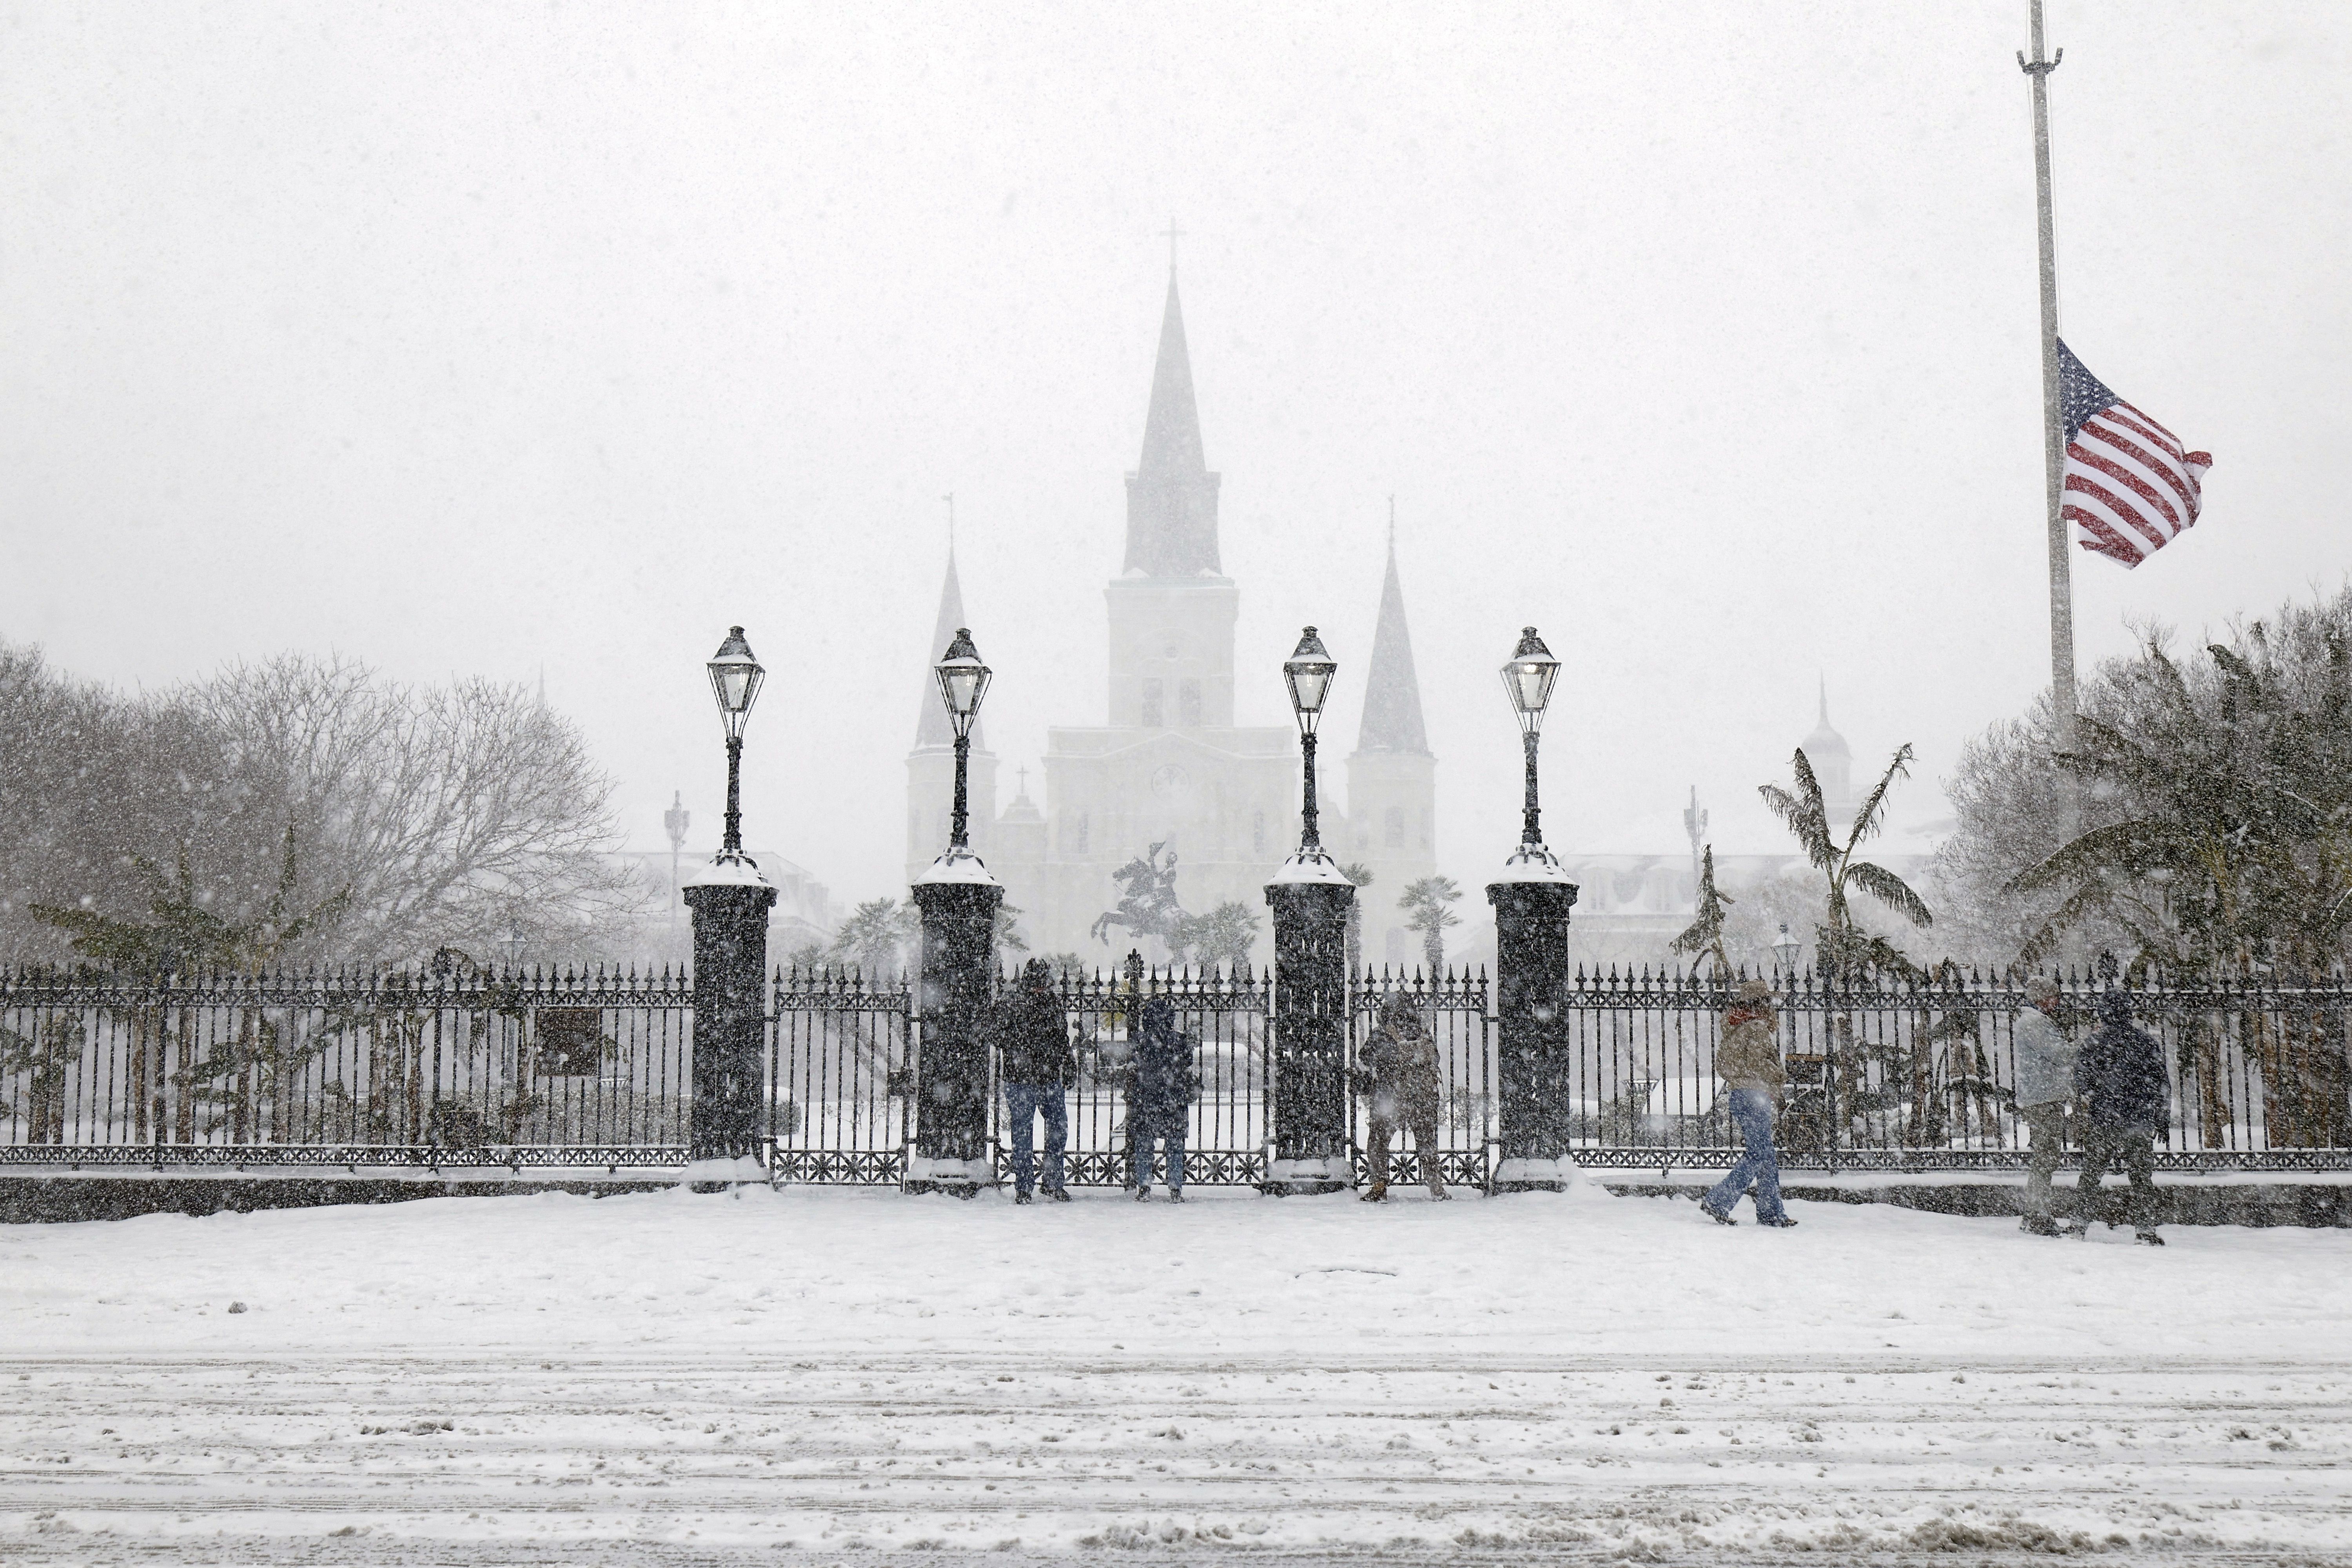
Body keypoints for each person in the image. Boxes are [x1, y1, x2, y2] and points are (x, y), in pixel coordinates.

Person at [2073, 987, 2169, 1245]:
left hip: (2105, 1118)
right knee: (2141, 1179)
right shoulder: (2146, 1042)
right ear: (2129, 1012)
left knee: (2091, 1174)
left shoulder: (2093, 1043)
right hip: (2138, 1119)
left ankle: (2078, 1225)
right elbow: (2161, 1083)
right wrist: (2161, 1115)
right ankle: (2145, 1230)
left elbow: (2082, 1082)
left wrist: (2097, 1097)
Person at [1700, 978, 1796, 1228]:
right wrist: (1780, 1074)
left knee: (1766, 1155)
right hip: (1754, 1095)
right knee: (1758, 1154)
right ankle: (1719, 1200)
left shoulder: (1737, 1028)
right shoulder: (1756, 1027)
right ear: (1762, 1003)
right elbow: (1757, 1063)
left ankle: (1771, 1213)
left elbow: (1728, 1065)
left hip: (1740, 1094)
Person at [992, 957, 1075, 1204]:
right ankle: (1027, 1187)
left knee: (1052, 1129)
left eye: (1043, 984)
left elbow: (1061, 1036)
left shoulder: (1041, 1003)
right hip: (1026, 1077)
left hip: (1037, 1076)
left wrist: (1067, 1060)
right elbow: (995, 1034)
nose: (1040, 989)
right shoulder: (1014, 1004)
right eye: (1037, 984)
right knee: (1026, 1132)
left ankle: (1048, 1183)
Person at [1359, 992, 1449, 1201]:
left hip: (1390, 1098)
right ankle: (1436, 1188)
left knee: (1379, 1141)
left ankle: (1380, 1186)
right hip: (1421, 1098)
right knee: (1426, 1142)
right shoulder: (1422, 1032)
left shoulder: (1382, 1034)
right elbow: (1435, 1057)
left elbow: (1366, 1057)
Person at [2011, 977, 2078, 1237]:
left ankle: (2033, 1214)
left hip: (2041, 1096)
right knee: (2046, 1159)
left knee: (2044, 1158)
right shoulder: (2035, 1023)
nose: (2057, 1002)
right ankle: (2038, 1215)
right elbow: (2061, 1054)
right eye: (2054, 997)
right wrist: (2088, 1042)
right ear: (2043, 998)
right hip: (2044, 1098)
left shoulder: (2032, 1022)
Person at [1130, 995, 1194, 1202]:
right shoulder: (1178, 1040)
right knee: (1175, 1145)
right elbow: (1187, 1060)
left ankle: (1145, 1186)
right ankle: (1175, 1188)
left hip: (1146, 1099)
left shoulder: (1141, 1040)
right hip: (1173, 1098)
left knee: (1144, 1144)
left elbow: (1134, 1062)